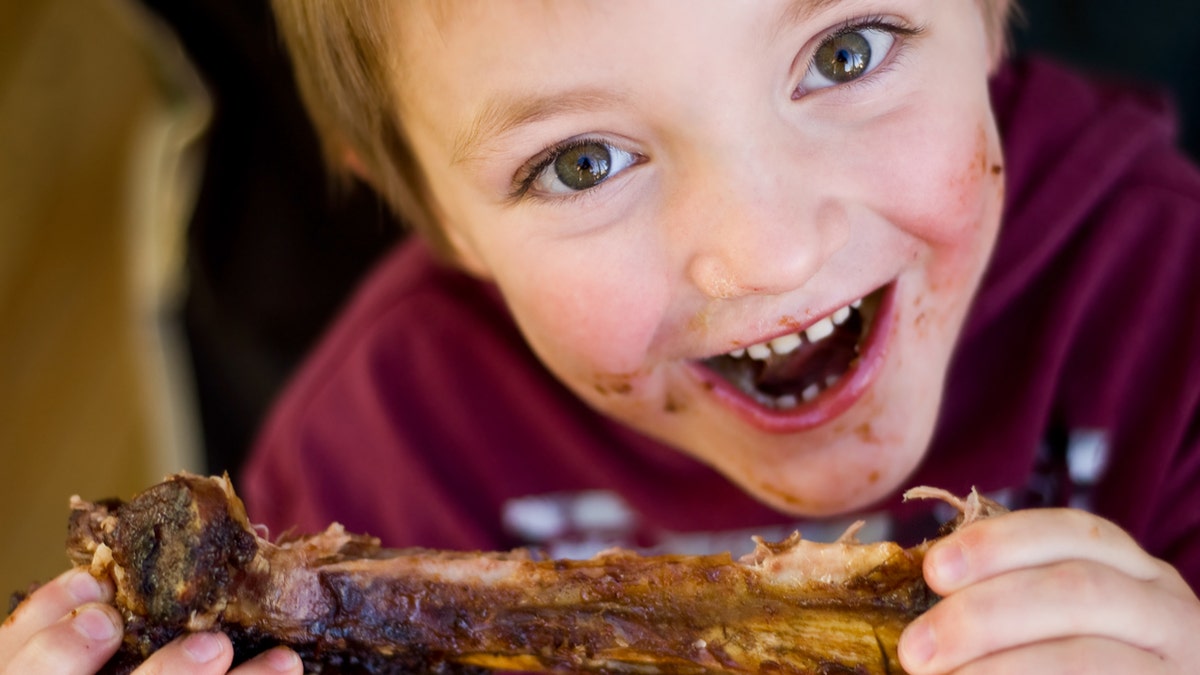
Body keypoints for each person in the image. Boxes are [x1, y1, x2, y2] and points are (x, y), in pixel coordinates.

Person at [5, 0, 1200, 672]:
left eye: (846, 52)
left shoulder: (1171, 313)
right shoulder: (380, 452)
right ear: (433, 217)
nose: (767, 252)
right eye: (583, 162)